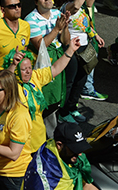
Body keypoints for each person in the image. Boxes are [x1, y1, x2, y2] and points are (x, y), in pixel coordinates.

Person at [6, 37, 81, 174]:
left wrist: (70, 50)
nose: (28, 71)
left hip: (38, 141)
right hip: (20, 146)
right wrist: (13, 65)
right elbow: (3, 82)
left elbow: (55, 68)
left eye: (29, 67)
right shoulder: (10, 87)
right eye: (23, 69)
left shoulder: (35, 77)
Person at [54, 0, 104, 123]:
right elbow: (76, 6)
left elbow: (89, 3)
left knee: (80, 80)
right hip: (71, 49)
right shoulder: (67, 6)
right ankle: (63, 112)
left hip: (83, 47)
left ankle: (72, 108)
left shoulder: (82, 6)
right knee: (70, 81)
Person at [24, 0, 81, 104]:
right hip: (43, 60)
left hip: (59, 55)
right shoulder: (30, 19)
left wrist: (65, 27)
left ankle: (61, 112)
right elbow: (40, 46)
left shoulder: (57, 13)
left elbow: (65, 41)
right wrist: (56, 29)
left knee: (63, 86)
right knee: (46, 90)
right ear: (36, 2)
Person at [0, 0, 30, 102]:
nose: (17, 8)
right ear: (3, 9)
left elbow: (25, 52)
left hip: (15, 82)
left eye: (19, 5)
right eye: (12, 6)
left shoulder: (26, 27)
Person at [23, 122, 96, 190]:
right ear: (59, 145)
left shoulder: (67, 156)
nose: (80, 154)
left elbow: (85, 184)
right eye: (74, 149)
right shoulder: (44, 180)